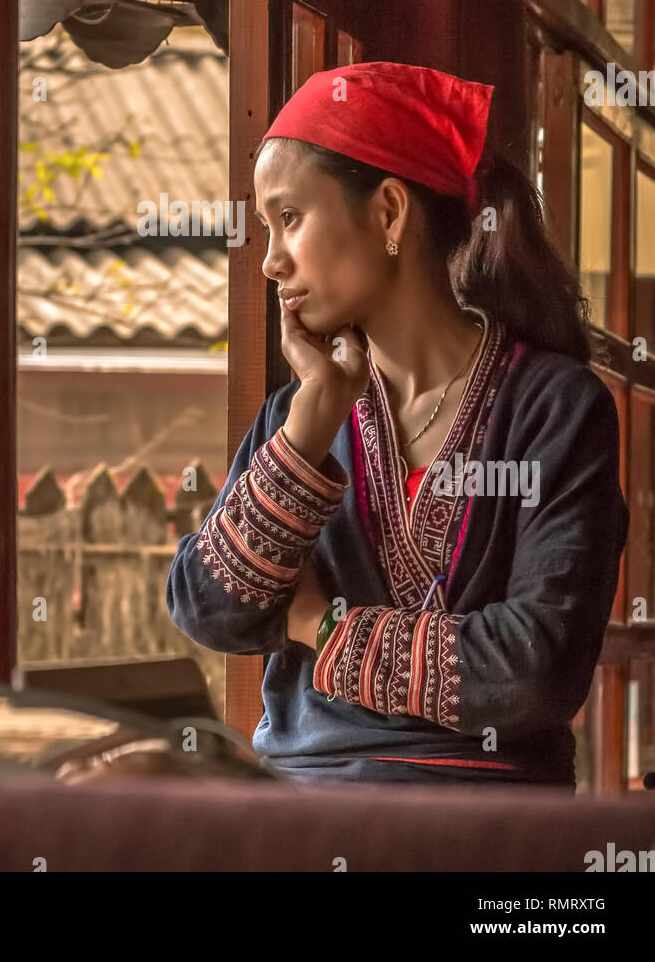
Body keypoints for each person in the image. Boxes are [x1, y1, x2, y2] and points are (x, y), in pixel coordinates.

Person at [166, 61, 629, 788]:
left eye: (289, 219)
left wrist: (320, 625)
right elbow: (208, 610)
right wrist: (307, 431)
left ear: (387, 212)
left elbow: (535, 673)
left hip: (488, 822)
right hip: (303, 809)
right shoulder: (302, 416)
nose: (271, 262)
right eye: (264, 228)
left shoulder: (556, 408)